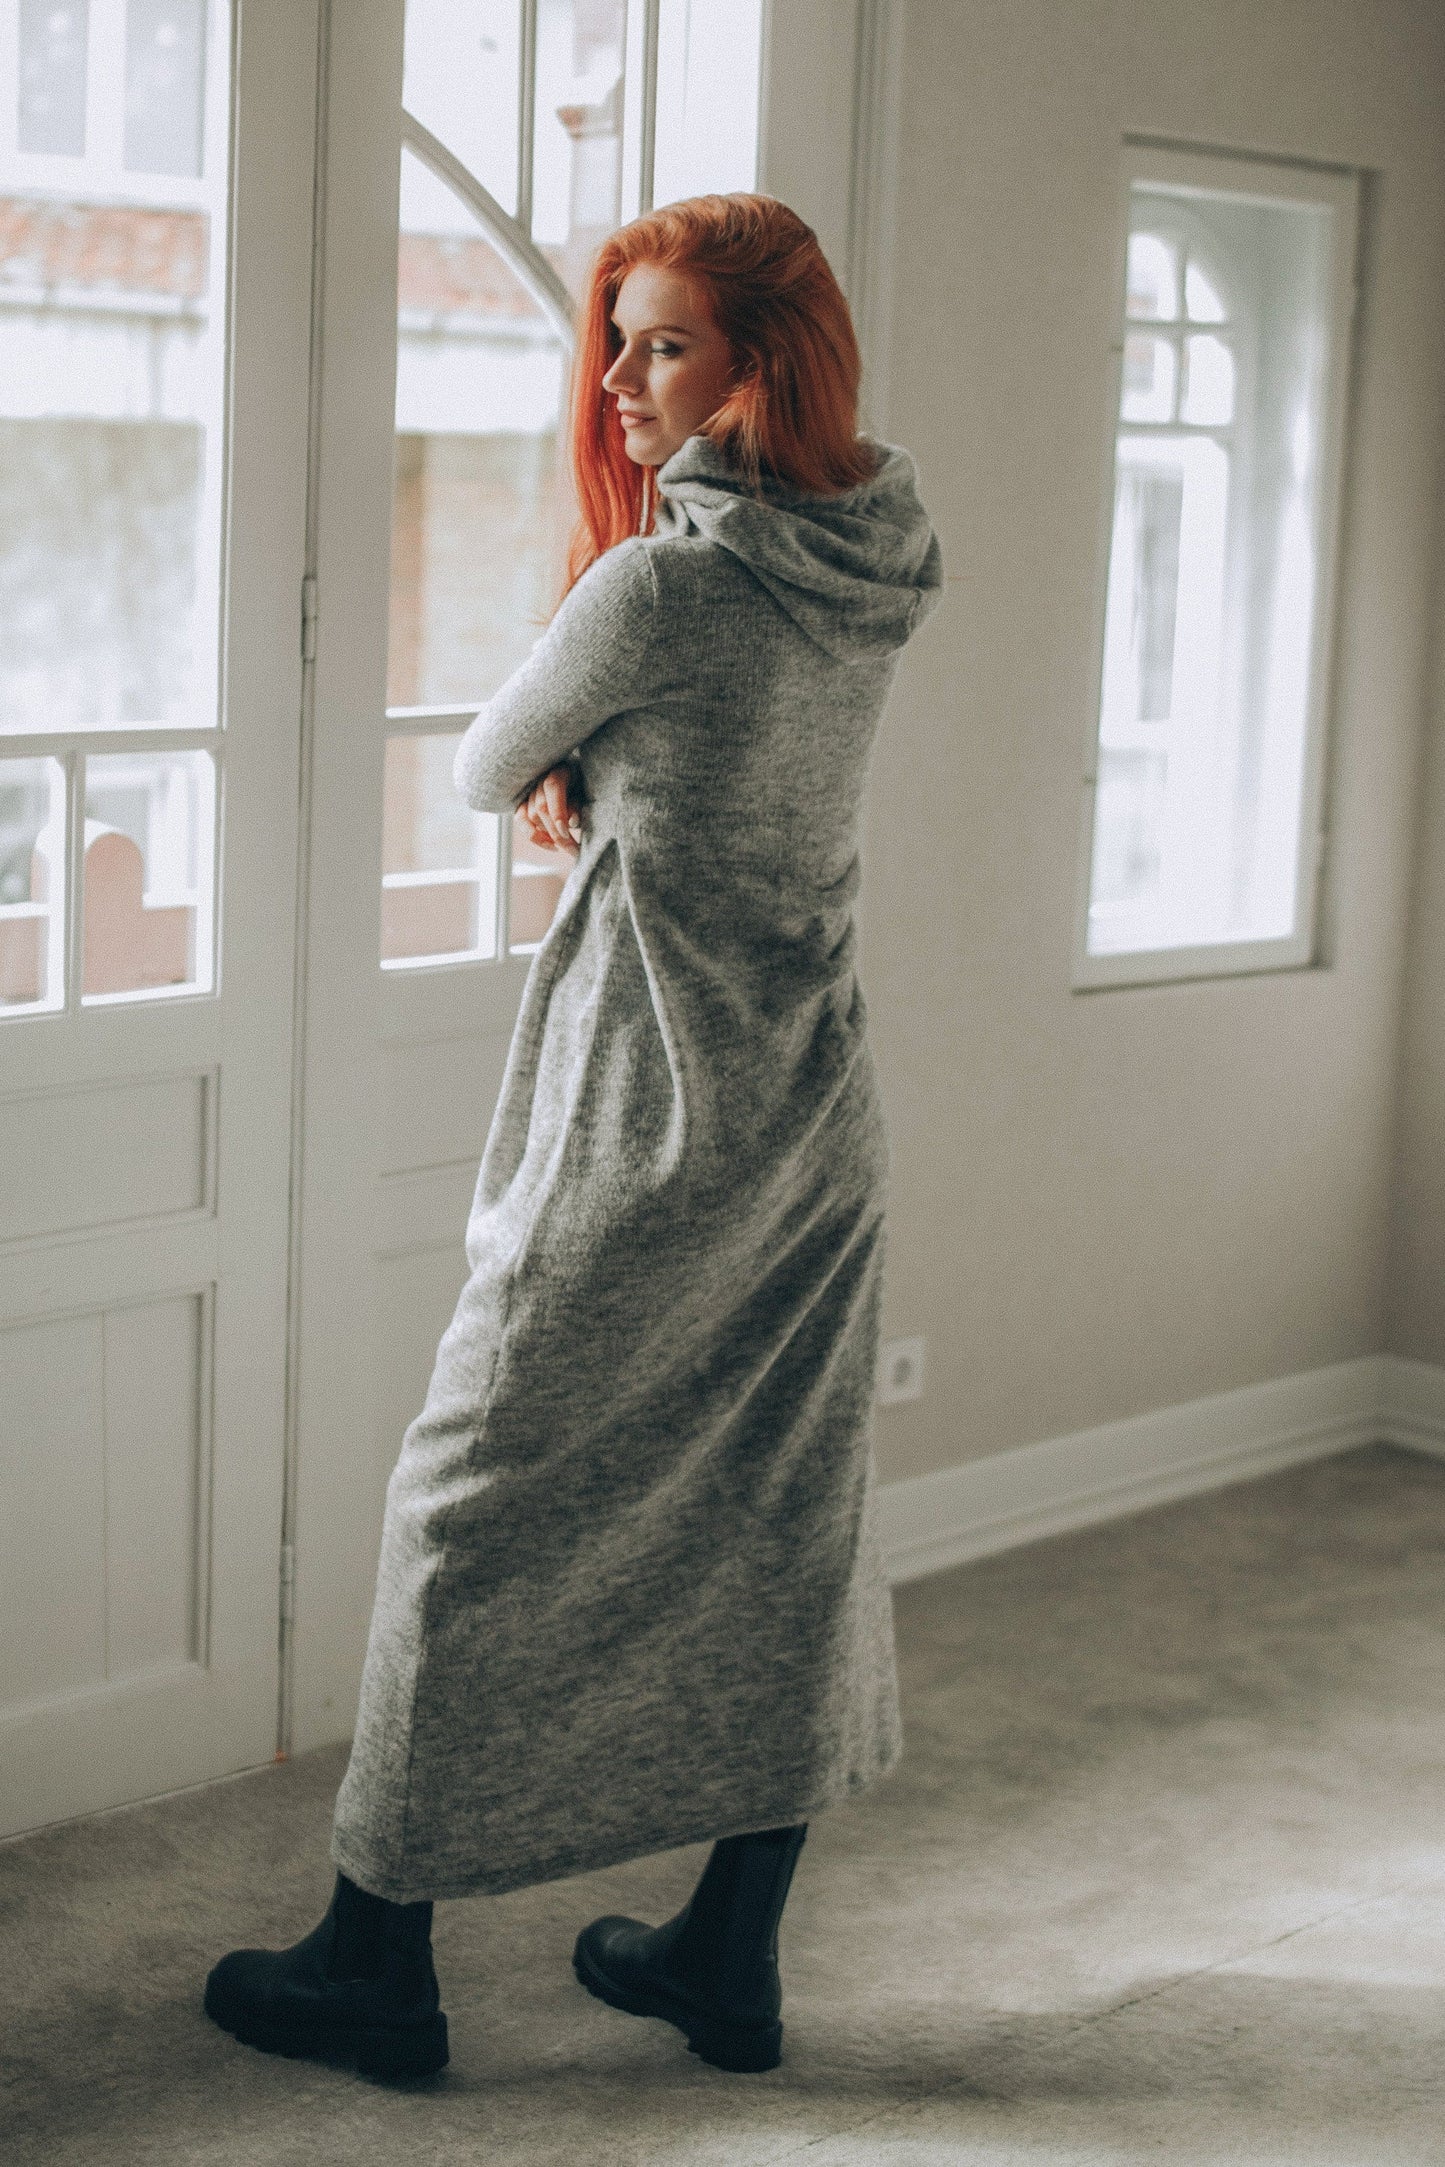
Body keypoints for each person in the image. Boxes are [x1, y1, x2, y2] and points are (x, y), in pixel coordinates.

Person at [204, 192, 942, 2082]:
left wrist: (574, 752)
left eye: (664, 342)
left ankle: (377, 1958)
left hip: (646, 1117)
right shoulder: (883, 543)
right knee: (784, 1517)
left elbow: (476, 762)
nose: (615, 381)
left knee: (468, 1506)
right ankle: (729, 1955)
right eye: (614, 337)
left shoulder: (661, 588)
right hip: (812, 1116)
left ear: (762, 363)